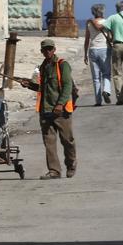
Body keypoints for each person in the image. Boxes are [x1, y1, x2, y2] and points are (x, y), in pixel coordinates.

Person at [23, 39, 77, 180]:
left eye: (50, 49)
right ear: (41, 51)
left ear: (54, 49)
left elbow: (67, 87)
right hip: (45, 110)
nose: (47, 51)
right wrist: (29, 85)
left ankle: (71, 164)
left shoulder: (62, 65)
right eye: (45, 49)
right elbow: (43, 88)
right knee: (49, 142)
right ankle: (54, 171)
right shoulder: (42, 67)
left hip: (62, 111)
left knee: (67, 140)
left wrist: (60, 104)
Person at [83, 3, 113, 106]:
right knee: (106, 73)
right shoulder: (107, 22)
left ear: (93, 12)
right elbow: (110, 36)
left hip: (92, 49)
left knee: (96, 78)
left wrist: (85, 54)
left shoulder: (89, 23)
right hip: (104, 49)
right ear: (103, 11)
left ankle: (98, 101)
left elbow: (87, 39)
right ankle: (106, 90)